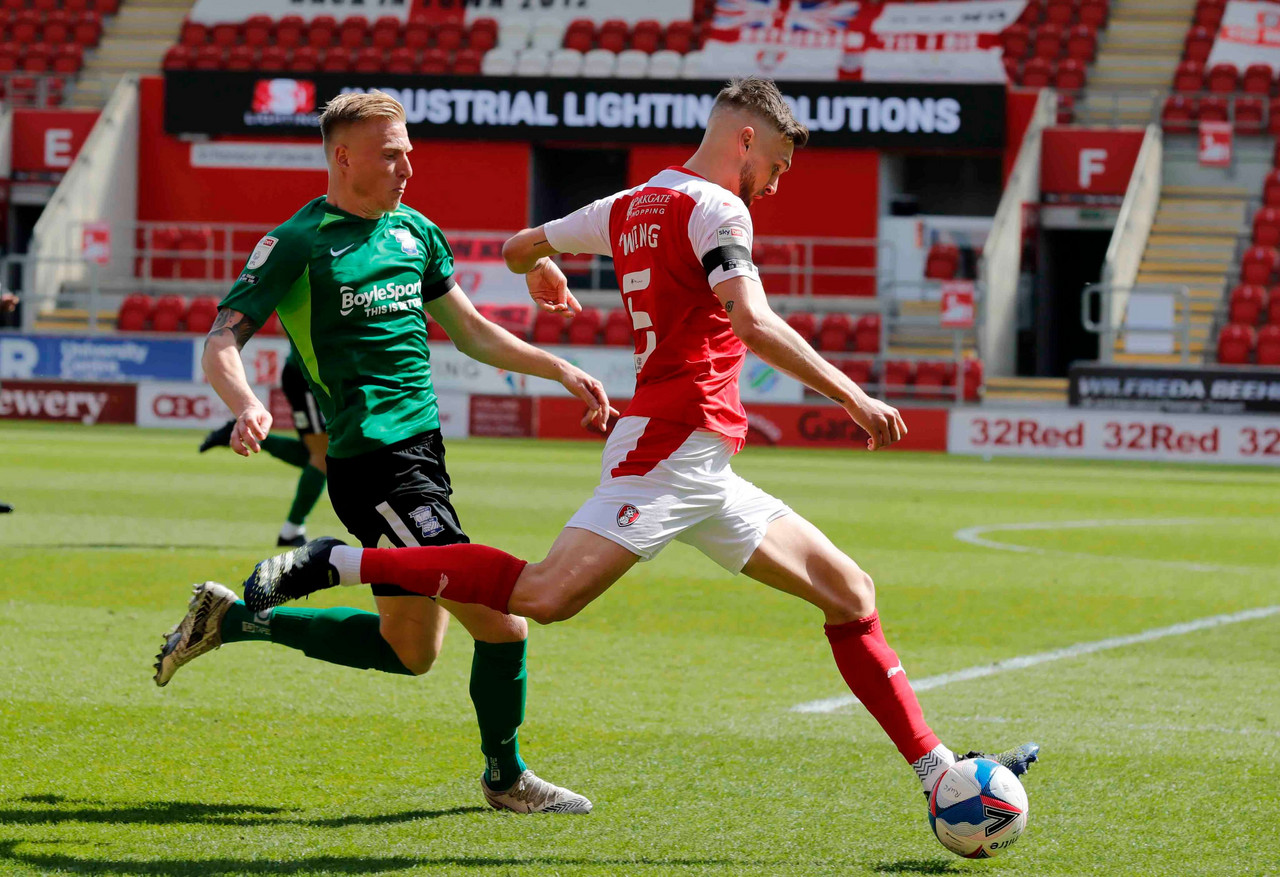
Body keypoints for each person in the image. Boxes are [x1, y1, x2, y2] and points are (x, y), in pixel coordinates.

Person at [238, 77, 1040, 814]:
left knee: (850, 592)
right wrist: (854, 394)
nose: (778, 183)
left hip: (703, 461)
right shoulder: (722, 211)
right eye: (780, 164)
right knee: (543, 597)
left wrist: (541, 268)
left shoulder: (633, 202)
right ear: (747, 141)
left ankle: (937, 769)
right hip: (669, 444)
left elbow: (521, 245)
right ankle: (336, 563)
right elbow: (752, 321)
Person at [154, 90, 619, 814]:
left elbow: (469, 331)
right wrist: (248, 403)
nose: (408, 164)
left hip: (423, 455)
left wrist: (556, 367)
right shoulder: (300, 241)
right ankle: (506, 779)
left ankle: (237, 617)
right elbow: (222, 338)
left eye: (408, 150)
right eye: (391, 152)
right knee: (505, 622)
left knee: (413, 650)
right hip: (375, 461)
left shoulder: (416, 233)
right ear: (344, 156)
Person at [199, 352, 330, 546]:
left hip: (321, 374)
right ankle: (291, 530)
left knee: (327, 457)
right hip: (309, 374)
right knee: (324, 457)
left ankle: (245, 434)